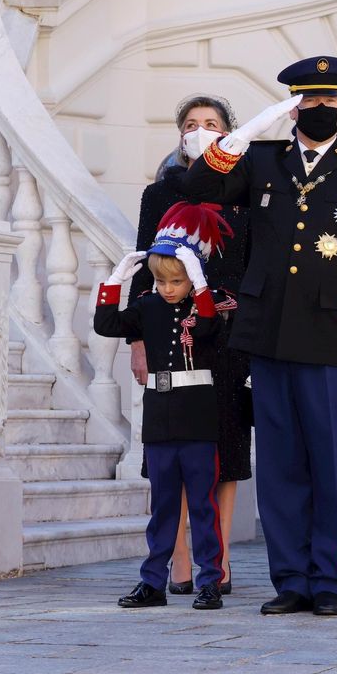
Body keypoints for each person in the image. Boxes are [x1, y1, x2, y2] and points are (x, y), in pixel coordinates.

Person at [181, 56, 337, 618]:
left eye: (331, 101)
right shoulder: (261, 161)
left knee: (330, 463)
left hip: (335, 337)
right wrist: (245, 133)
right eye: (310, 102)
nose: (322, 110)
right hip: (269, 333)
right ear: (293, 108)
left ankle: (330, 579)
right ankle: (290, 579)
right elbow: (197, 186)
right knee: (280, 464)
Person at [130, 94, 251, 597]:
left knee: (226, 449)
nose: (201, 131)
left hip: (227, 337)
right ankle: (178, 562)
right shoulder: (158, 195)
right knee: (173, 453)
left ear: (228, 133)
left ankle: (215, 562)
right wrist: (137, 340)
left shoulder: (245, 192)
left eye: (213, 124)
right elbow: (141, 269)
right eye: (193, 124)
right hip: (171, 345)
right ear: (179, 133)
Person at [94, 202, 234, 612]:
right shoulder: (146, 306)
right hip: (159, 416)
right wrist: (115, 282)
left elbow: (208, 330)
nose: (168, 288)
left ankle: (210, 581)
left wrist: (200, 283)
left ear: (191, 277)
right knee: (163, 508)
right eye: (161, 280)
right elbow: (107, 325)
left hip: (198, 418)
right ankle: (152, 581)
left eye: (176, 280)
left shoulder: (209, 305)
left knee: (204, 507)